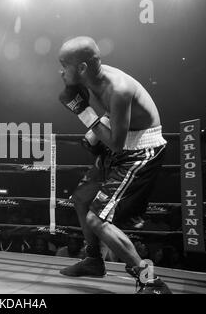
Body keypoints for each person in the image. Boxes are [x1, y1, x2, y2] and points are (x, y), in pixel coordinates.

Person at [57, 36, 171, 293]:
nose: (60, 71)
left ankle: (150, 281)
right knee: (81, 198)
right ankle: (94, 261)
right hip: (120, 141)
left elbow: (117, 144)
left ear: (82, 68)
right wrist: (95, 129)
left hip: (140, 150)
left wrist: (83, 113)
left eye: (64, 65)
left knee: (97, 220)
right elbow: (108, 121)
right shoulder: (90, 82)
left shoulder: (118, 88)